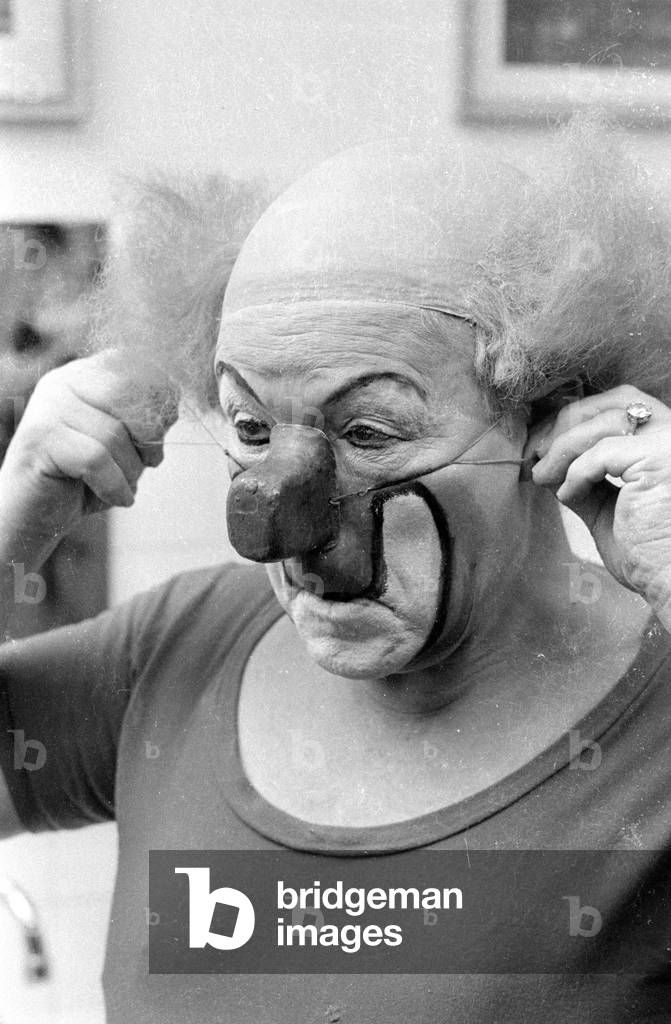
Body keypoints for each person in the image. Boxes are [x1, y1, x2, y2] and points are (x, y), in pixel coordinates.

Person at [2, 120, 671, 1022]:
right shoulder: (176, 650)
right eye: (250, 428)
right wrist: (16, 512)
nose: (279, 528)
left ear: (549, 412)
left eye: (369, 432)